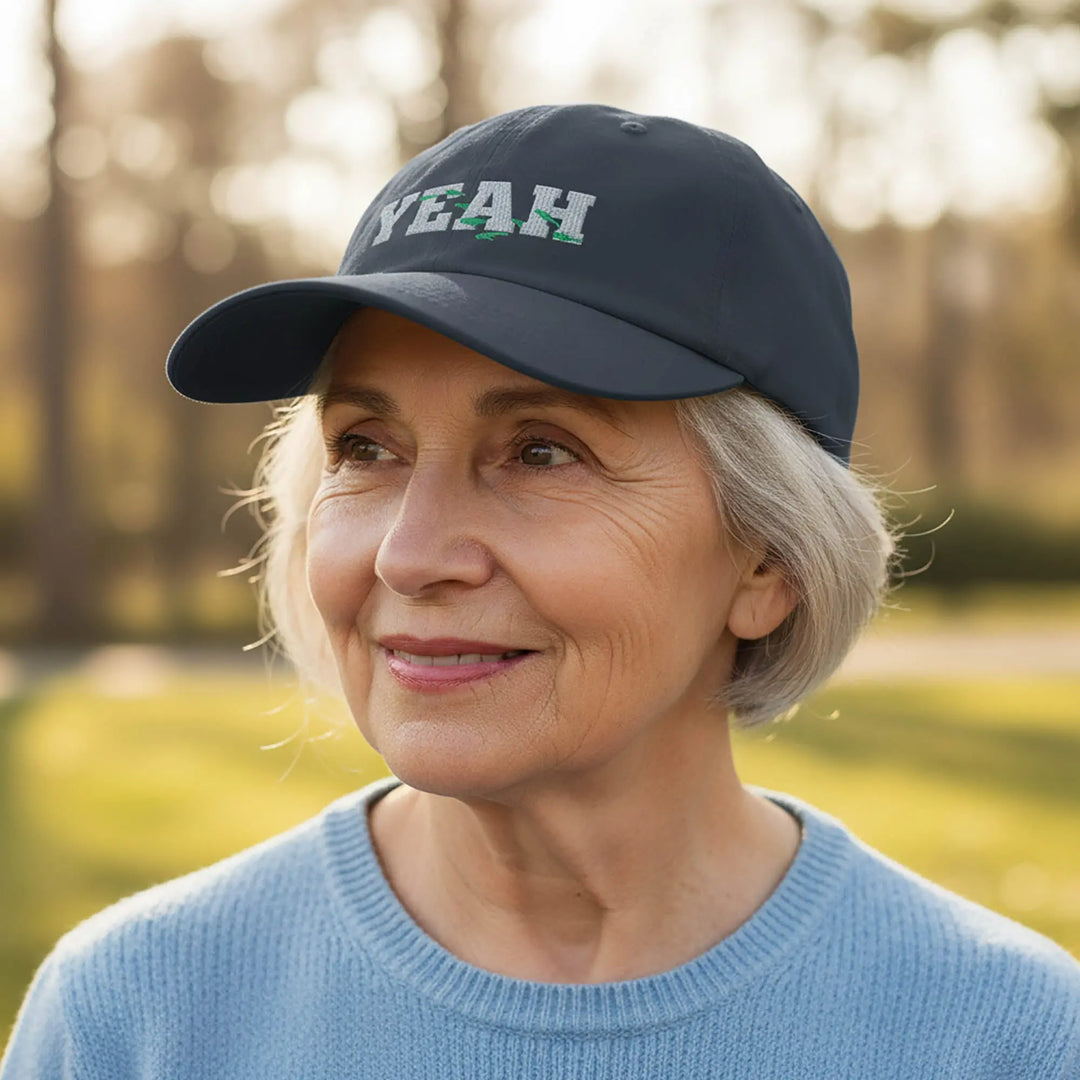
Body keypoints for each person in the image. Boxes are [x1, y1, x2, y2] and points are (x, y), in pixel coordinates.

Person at [3, 103, 1078, 1078]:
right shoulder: (137, 1021)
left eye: (543, 453)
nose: (410, 556)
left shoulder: (1004, 1040)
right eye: (366, 447)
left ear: (770, 560)